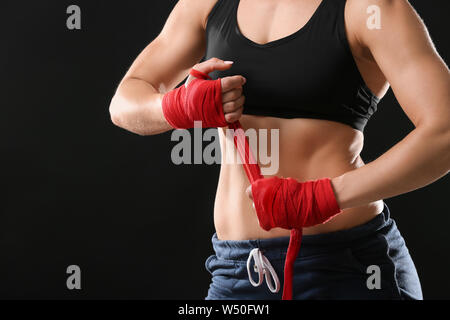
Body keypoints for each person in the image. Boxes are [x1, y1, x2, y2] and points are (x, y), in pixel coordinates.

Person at [109, 0, 450, 300]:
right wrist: (177, 106)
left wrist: (322, 197)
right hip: (237, 270)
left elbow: (444, 132)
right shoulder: (208, 4)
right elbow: (124, 104)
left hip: (347, 268)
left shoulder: (370, 7)